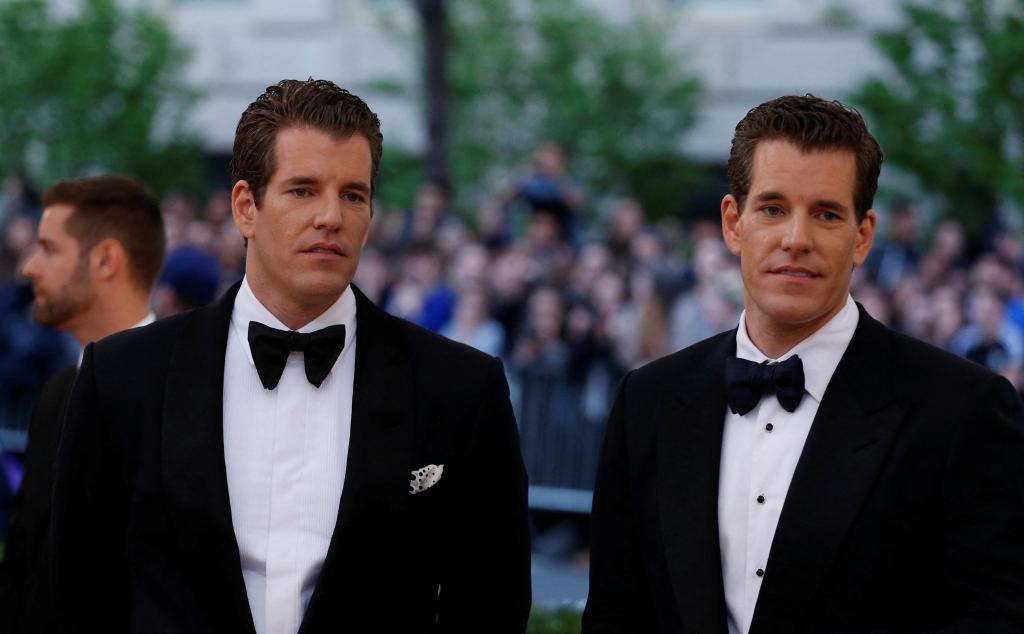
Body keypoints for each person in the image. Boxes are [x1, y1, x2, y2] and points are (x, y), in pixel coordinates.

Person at [49, 79, 531, 634]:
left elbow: (492, 602)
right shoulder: (122, 375)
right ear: (245, 207)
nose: (332, 216)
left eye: (353, 194)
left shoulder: (461, 388)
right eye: (303, 190)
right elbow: (75, 595)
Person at [583, 95, 1024, 633]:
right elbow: (614, 614)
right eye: (772, 209)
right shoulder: (646, 401)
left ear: (862, 236)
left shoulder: (963, 409)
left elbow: (995, 620)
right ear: (733, 223)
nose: (797, 239)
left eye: (826, 213)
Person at [0, 174, 165, 634]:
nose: (29, 267)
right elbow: (24, 561)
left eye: (49, 248)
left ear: (105, 260)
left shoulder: (185, 393)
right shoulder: (55, 395)